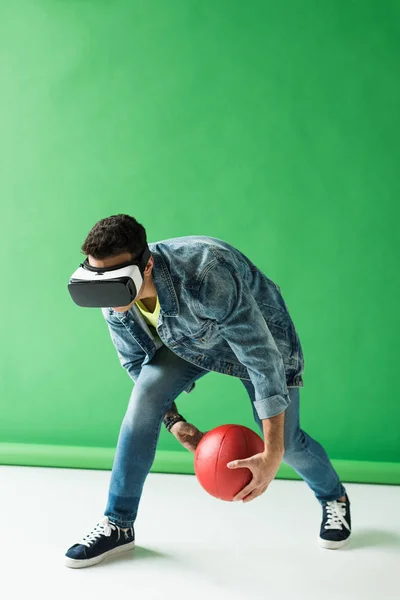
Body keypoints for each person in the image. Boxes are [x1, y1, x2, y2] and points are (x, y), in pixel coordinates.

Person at [65, 214, 351, 568]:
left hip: (260, 337)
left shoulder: (205, 273)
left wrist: (272, 450)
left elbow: (260, 358)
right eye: (98, 279)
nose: (104, 291)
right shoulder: (112, 296)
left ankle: (333, 496)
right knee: (144, 400)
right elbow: (137, 364)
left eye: (115, 281)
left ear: (147, 265)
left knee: (288, 443)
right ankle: (118, 524)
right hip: (190, 339)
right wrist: (174, 422)